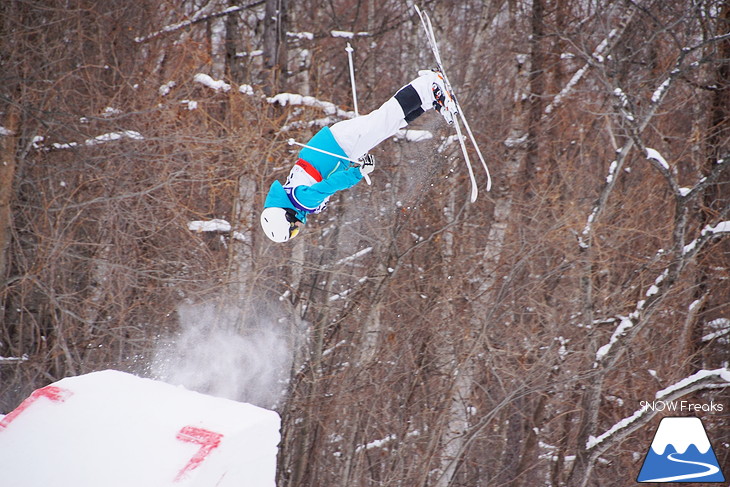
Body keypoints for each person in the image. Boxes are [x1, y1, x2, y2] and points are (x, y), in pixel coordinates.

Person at [260, 69, 456, 243]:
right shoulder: (293, 197)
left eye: (293, 229)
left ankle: (428, 85)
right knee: (388, 125)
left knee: (384, 119)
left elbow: (329, 186)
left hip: (337, 146)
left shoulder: (300, 201)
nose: (298, 229)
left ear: (286, 217)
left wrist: (358, 173)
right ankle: (429, 99)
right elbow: (324, 177)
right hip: (337, 149)